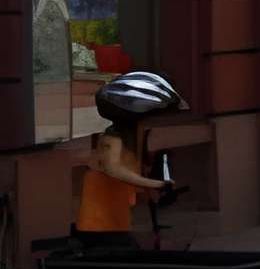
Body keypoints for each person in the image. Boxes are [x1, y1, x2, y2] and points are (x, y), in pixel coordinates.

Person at [74, 68, 185, 249]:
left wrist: (155, 191)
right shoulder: (112, 138)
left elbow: (132, 177)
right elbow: (113, 168)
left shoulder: (132, 143)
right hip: (99, 225)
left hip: (116, 223)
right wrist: (154, 184)